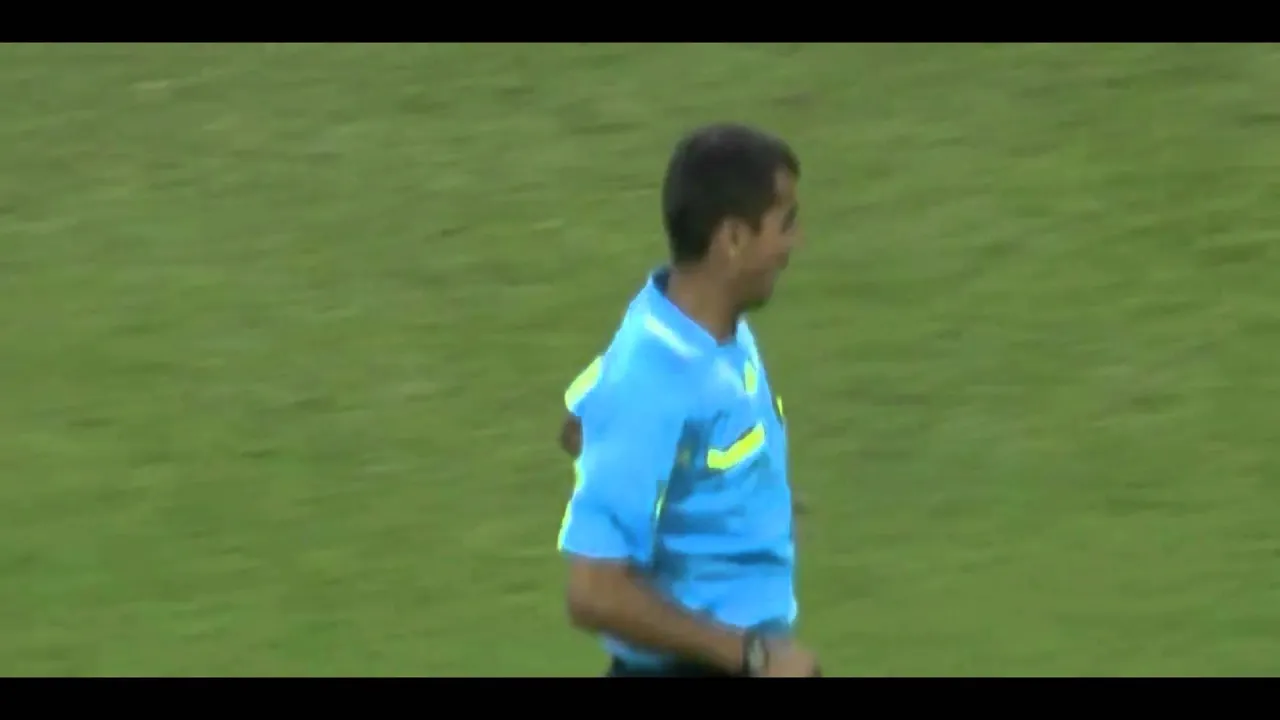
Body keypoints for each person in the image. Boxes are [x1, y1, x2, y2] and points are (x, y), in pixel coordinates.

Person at [555, 123, 819, 678]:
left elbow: (580, 422)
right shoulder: (654, 376)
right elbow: (592, 592)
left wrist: (738, 500)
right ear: (733, 239)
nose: (794, 244)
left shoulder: (702, 326)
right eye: (785, 223)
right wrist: (751, 656)